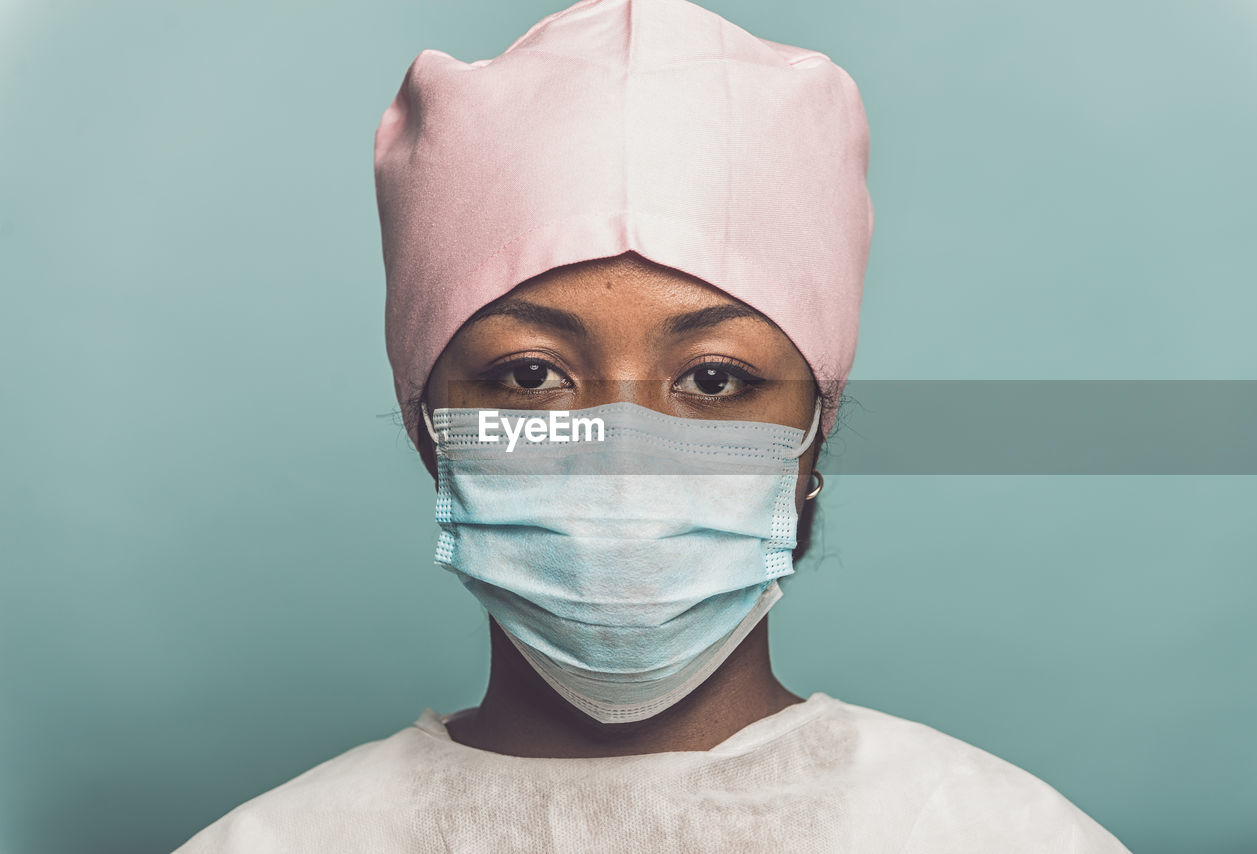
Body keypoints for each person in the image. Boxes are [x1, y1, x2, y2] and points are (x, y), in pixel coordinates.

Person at [175, 0, 1133, 850]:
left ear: (813, 437)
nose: (623, 456)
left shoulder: (995, 834)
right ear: (433, 431)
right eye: (531, 374)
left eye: (715, 379)